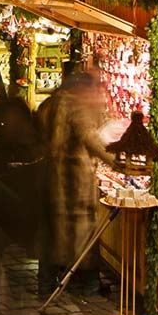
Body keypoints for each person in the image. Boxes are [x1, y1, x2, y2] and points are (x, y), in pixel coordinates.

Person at [41, 70, 112, 295]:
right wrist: (115, 161)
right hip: (73, 181)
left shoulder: (51, 104)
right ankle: (88, 284)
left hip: (52, 177)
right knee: (82, 233)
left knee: (53, 232)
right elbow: (90, 139)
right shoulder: (75, 107)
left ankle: (46, 283)